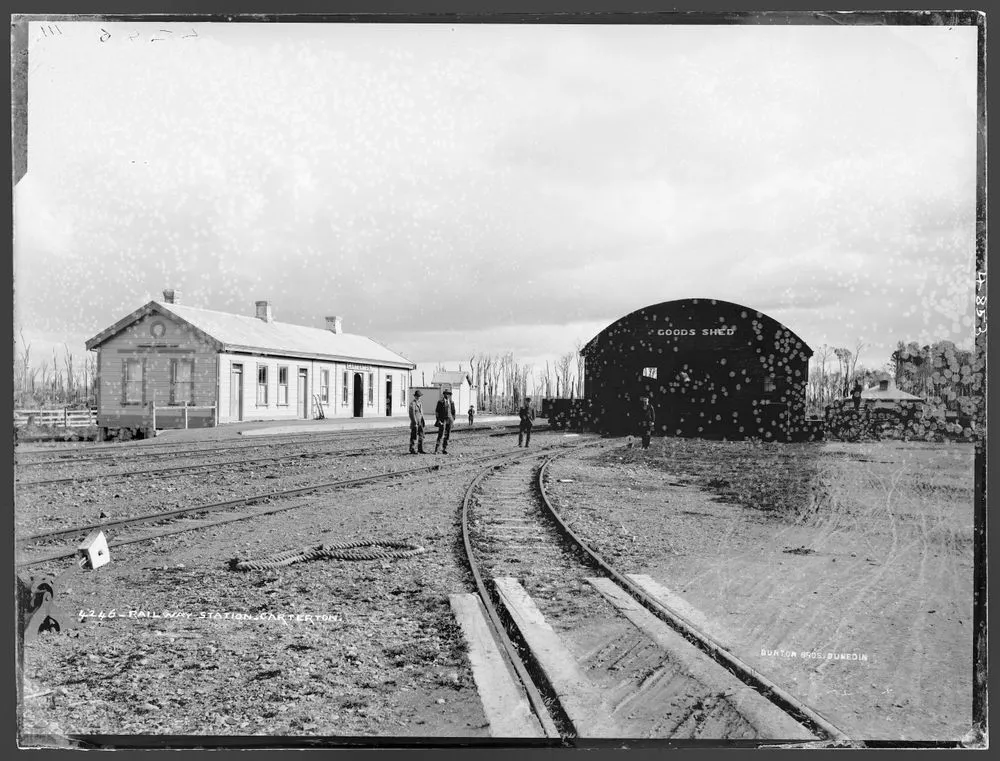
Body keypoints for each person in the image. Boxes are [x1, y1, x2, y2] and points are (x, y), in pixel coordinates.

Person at [434, 389, 456, 454]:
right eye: (446, 394)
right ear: (444, 394)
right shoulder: (440, 402)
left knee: (447, 435)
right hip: (442, 420)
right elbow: (437, 412)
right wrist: (438, 420)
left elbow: (453, 411)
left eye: (449, 394)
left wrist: (452, 419)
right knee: (440, 435)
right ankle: (437, 449)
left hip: (449, 420)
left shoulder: (451, 402)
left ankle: (444, 448)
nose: (447, 395)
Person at [408, 390, 426, 454]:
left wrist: (422, 420)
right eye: (418, 396)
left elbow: (421, 412)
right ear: (415, 396)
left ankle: (420, 449)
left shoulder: (420, 403)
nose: (419, 397)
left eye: (420, 396)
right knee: (414, 436)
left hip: (420, 421)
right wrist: (414, 422)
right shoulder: (412, 403)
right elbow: (411, 414)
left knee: (421, 435)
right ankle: (412, 449)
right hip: (415, 422)